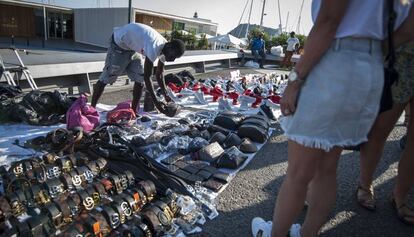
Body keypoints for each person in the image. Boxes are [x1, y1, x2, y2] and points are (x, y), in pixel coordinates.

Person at [251, 1, 413, 237]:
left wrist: (295, 81)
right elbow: (408, 30)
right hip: (370, 69)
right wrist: (371, 49)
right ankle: (308, 233)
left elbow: (328, 21)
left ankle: (276, 233)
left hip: (334, 64)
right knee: (328, 168)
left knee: (298, 173)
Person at [357, 11, 414, 225]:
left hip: (397, 54)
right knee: (380, 129)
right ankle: (365, 184)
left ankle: (400, 193)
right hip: (400, 60)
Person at [91, 23, 185, 115]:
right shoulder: (154, 47)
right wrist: (156, 103)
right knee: (106, 78)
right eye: (173, 56)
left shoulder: (166, 47)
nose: (172, 60)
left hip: (133, 48)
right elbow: (147, 77)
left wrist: (166, 94)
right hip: (119, 44)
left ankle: (133, 112)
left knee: (140, 80)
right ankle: (91, 109)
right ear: (169, 47)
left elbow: (159, 74)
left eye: (175, 58)